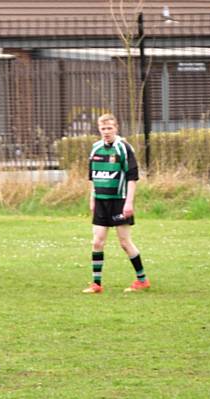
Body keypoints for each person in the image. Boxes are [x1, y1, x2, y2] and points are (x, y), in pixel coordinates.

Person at [82, 113, 150, 294]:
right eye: (103, 128)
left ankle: (142, 280)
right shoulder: (95, 148)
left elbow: (132, 178)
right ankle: (96, 284)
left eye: (109, 128)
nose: (106, 132)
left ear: (116, 128)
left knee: (124, 242)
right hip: (101, 202)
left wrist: (129, 203)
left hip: (119, 202)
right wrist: (92, 199)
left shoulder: (124, 148)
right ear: (99, 129)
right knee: (97, 242)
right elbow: (92, 177)